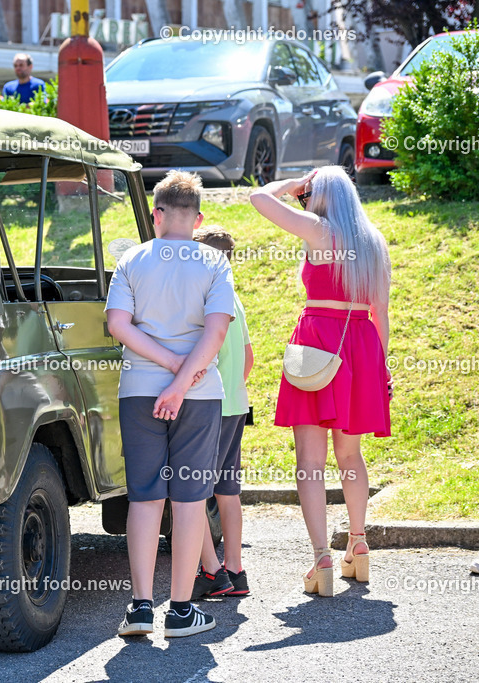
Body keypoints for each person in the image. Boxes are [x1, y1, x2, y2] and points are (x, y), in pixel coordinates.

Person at [250, 166, 391, 597]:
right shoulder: (373, 241)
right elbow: (381, 313)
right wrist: (382, 368)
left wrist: (292, 185)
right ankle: (358, 545)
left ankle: (321, 559)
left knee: (310, 463)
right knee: (351, 456)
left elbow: (258, 198)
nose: (302, 200)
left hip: (317, 346)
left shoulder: (319, 231)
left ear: (319, 196)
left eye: (307, 194)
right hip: (362, 346)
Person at [106, 170, 234, 638]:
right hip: (199, 394)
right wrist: (181, 381)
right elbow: (217, 332)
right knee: (188, 499)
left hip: (138, 389)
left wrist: (165, 365)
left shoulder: (132, 259)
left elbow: (119, 324)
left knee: (144, 496)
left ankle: (140, 607)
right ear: (198, 219)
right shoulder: (214, 263)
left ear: (156, 214)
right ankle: (181, 610)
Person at [190, 226, 254, 599]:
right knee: (227, 490)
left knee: (191, 491)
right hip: (234, 406)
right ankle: (235, 568)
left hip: (207, 406)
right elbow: (248, 359)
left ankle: (212, 572)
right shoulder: (234, 298)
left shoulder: (203, 300)